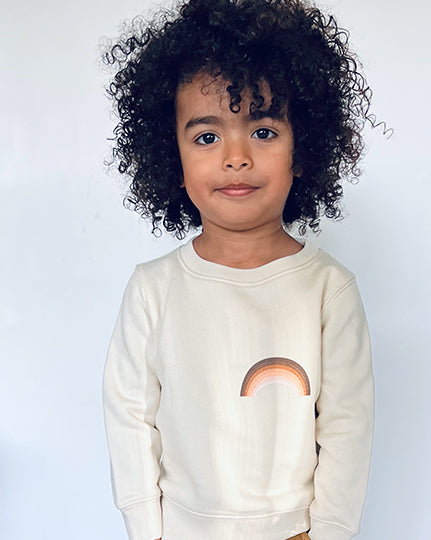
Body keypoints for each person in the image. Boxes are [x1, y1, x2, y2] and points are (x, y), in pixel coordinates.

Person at [102, 0, 375, 539]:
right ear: (170, 157)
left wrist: (330, 533)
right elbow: (129, 412)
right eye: (206, 136)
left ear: (303, 151)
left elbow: (347, 426)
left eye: (264, 131)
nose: (235, 156)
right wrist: (146, 528)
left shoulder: (328, 290)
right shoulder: (154, 289)